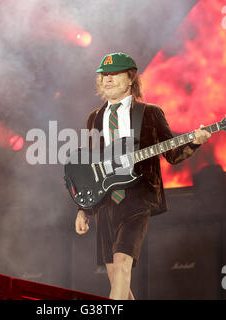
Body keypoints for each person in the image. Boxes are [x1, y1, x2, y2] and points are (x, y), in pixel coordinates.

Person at [74, 52, 211, 300]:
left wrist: (194, 143)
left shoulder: (149, 113)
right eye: (104, 75)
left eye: (114, 74)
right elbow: (89, 166)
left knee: (123, 262)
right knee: (116, 275)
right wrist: (83, 208)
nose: (107, 79)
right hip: (105, 201)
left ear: (130, 78)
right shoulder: (94, 118)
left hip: (138, 197)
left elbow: (172, 153)